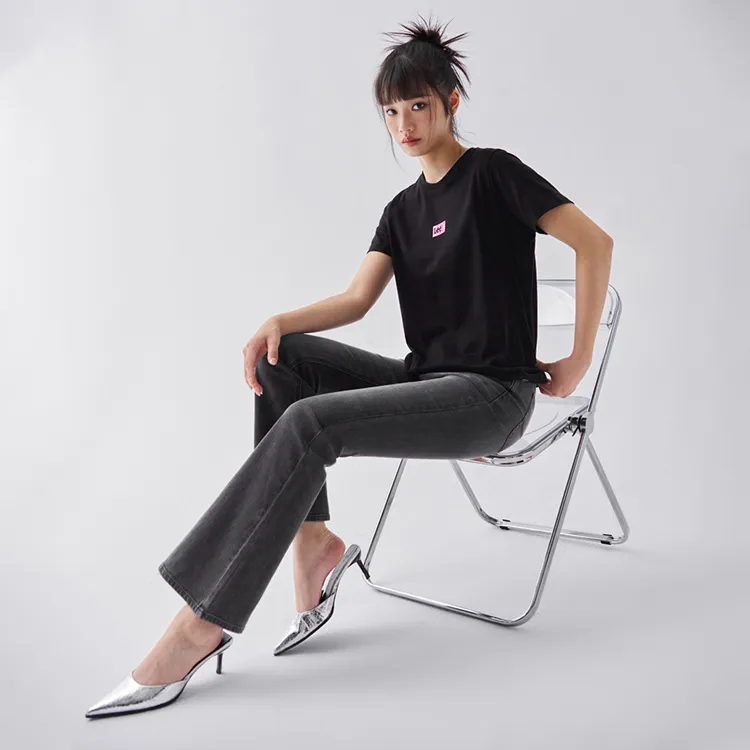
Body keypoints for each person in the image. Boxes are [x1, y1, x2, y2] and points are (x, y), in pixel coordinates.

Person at [85, 14, 613, 719]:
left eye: (418, 105)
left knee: (311, 424)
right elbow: (358, 300)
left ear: (451, 101)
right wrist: (280, 321)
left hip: (490, 398)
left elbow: (594, 243)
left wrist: (578, 358)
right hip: (426, 385)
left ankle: (198, 625)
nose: (404, 125)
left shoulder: (493, 174)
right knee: (286, 361)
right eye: (391, 112)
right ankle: (314, 544)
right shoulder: (402, 210)